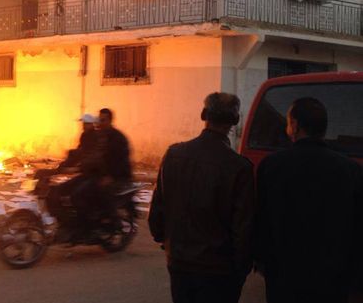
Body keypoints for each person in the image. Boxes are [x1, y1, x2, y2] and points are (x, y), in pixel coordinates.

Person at [149, 92, 255, 303]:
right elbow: (243, 227)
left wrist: (168, 242)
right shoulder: (239, 167)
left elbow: (157, 211)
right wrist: (241, 269)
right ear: (235, 120)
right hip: (218, 269)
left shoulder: (174, 154)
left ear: (204, 114)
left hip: (179, 262)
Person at [255, 97, 363, 303]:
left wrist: (260, 259)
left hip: (284, 275)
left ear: (294, 126)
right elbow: (358, 229)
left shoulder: (272, 166)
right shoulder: (351, 170)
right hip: (331, 278)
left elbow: (262, 220)